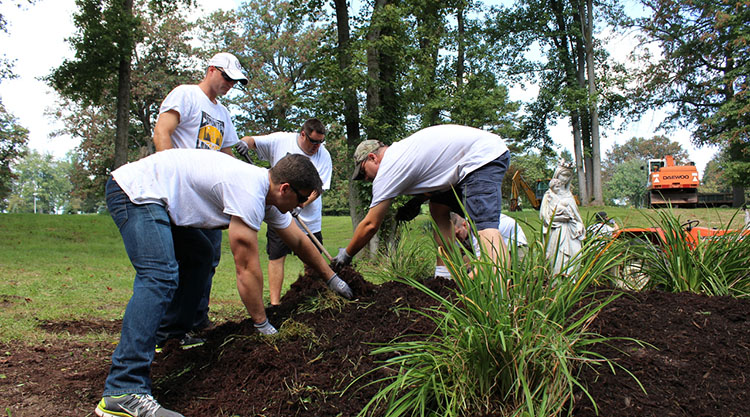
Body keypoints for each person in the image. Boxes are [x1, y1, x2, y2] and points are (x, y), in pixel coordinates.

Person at [95, 150, 352, 417]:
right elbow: (246, 268)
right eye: (300, 199)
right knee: (159, 275)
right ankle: (123, 390)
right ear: (285, 188)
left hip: (160, 197)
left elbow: (298, 240)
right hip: (136, 192)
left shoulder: (267, 194)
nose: (300, 207)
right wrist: (263, 325)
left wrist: (332, 279)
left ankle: (171, 334)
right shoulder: (249, 191)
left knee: (200, 255)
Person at [151, 52, 249, 349]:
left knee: (209, 259)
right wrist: (171, 181)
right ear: (211, 70)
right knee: (188, 259)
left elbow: (227, 155)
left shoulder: (223, 114)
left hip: (207, 199)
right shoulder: (186, 95)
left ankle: (196, 320)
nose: (230, 84)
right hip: (180, 193)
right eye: (226, 77)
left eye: (235, 81)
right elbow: (162, 132)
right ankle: (170, 330)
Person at [332, 124, 511, 278]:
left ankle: (499, 297)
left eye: (363, 172)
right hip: (463, 164)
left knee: (485, 228)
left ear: (372, 158)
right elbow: (434, 181)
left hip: (480, 159)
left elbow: (371, 224)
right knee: (438, 206)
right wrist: (416, 203)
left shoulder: (388, 168)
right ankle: (444, 276)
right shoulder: (402, 153)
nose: (365, 179)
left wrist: (346, 255)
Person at [234, 119, 332, 306]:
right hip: (279, 214)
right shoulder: (281, 140)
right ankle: (275, 304)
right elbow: (252, 140)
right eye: (313, 142)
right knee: (277, 257)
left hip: (310, 220)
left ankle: (317, 301)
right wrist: (244, 144)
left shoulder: (323, 155)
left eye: (320, 142)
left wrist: (301, 202)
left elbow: (319, 188)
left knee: (313, 260)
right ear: (303, 134)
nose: (317, 147)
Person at [540, 162, 585, 274]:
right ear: (557, 175)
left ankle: (573, 284)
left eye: (568, 176)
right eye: (563, 175)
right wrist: (559, 219)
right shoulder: (549, 195)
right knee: (558, 260)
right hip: (558, 231)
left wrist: (579, 225)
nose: (565, 178)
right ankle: (558, 286)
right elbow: (544, 216)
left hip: (572, 232)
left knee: (577, 255)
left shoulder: (569, 195)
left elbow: (577, 217)